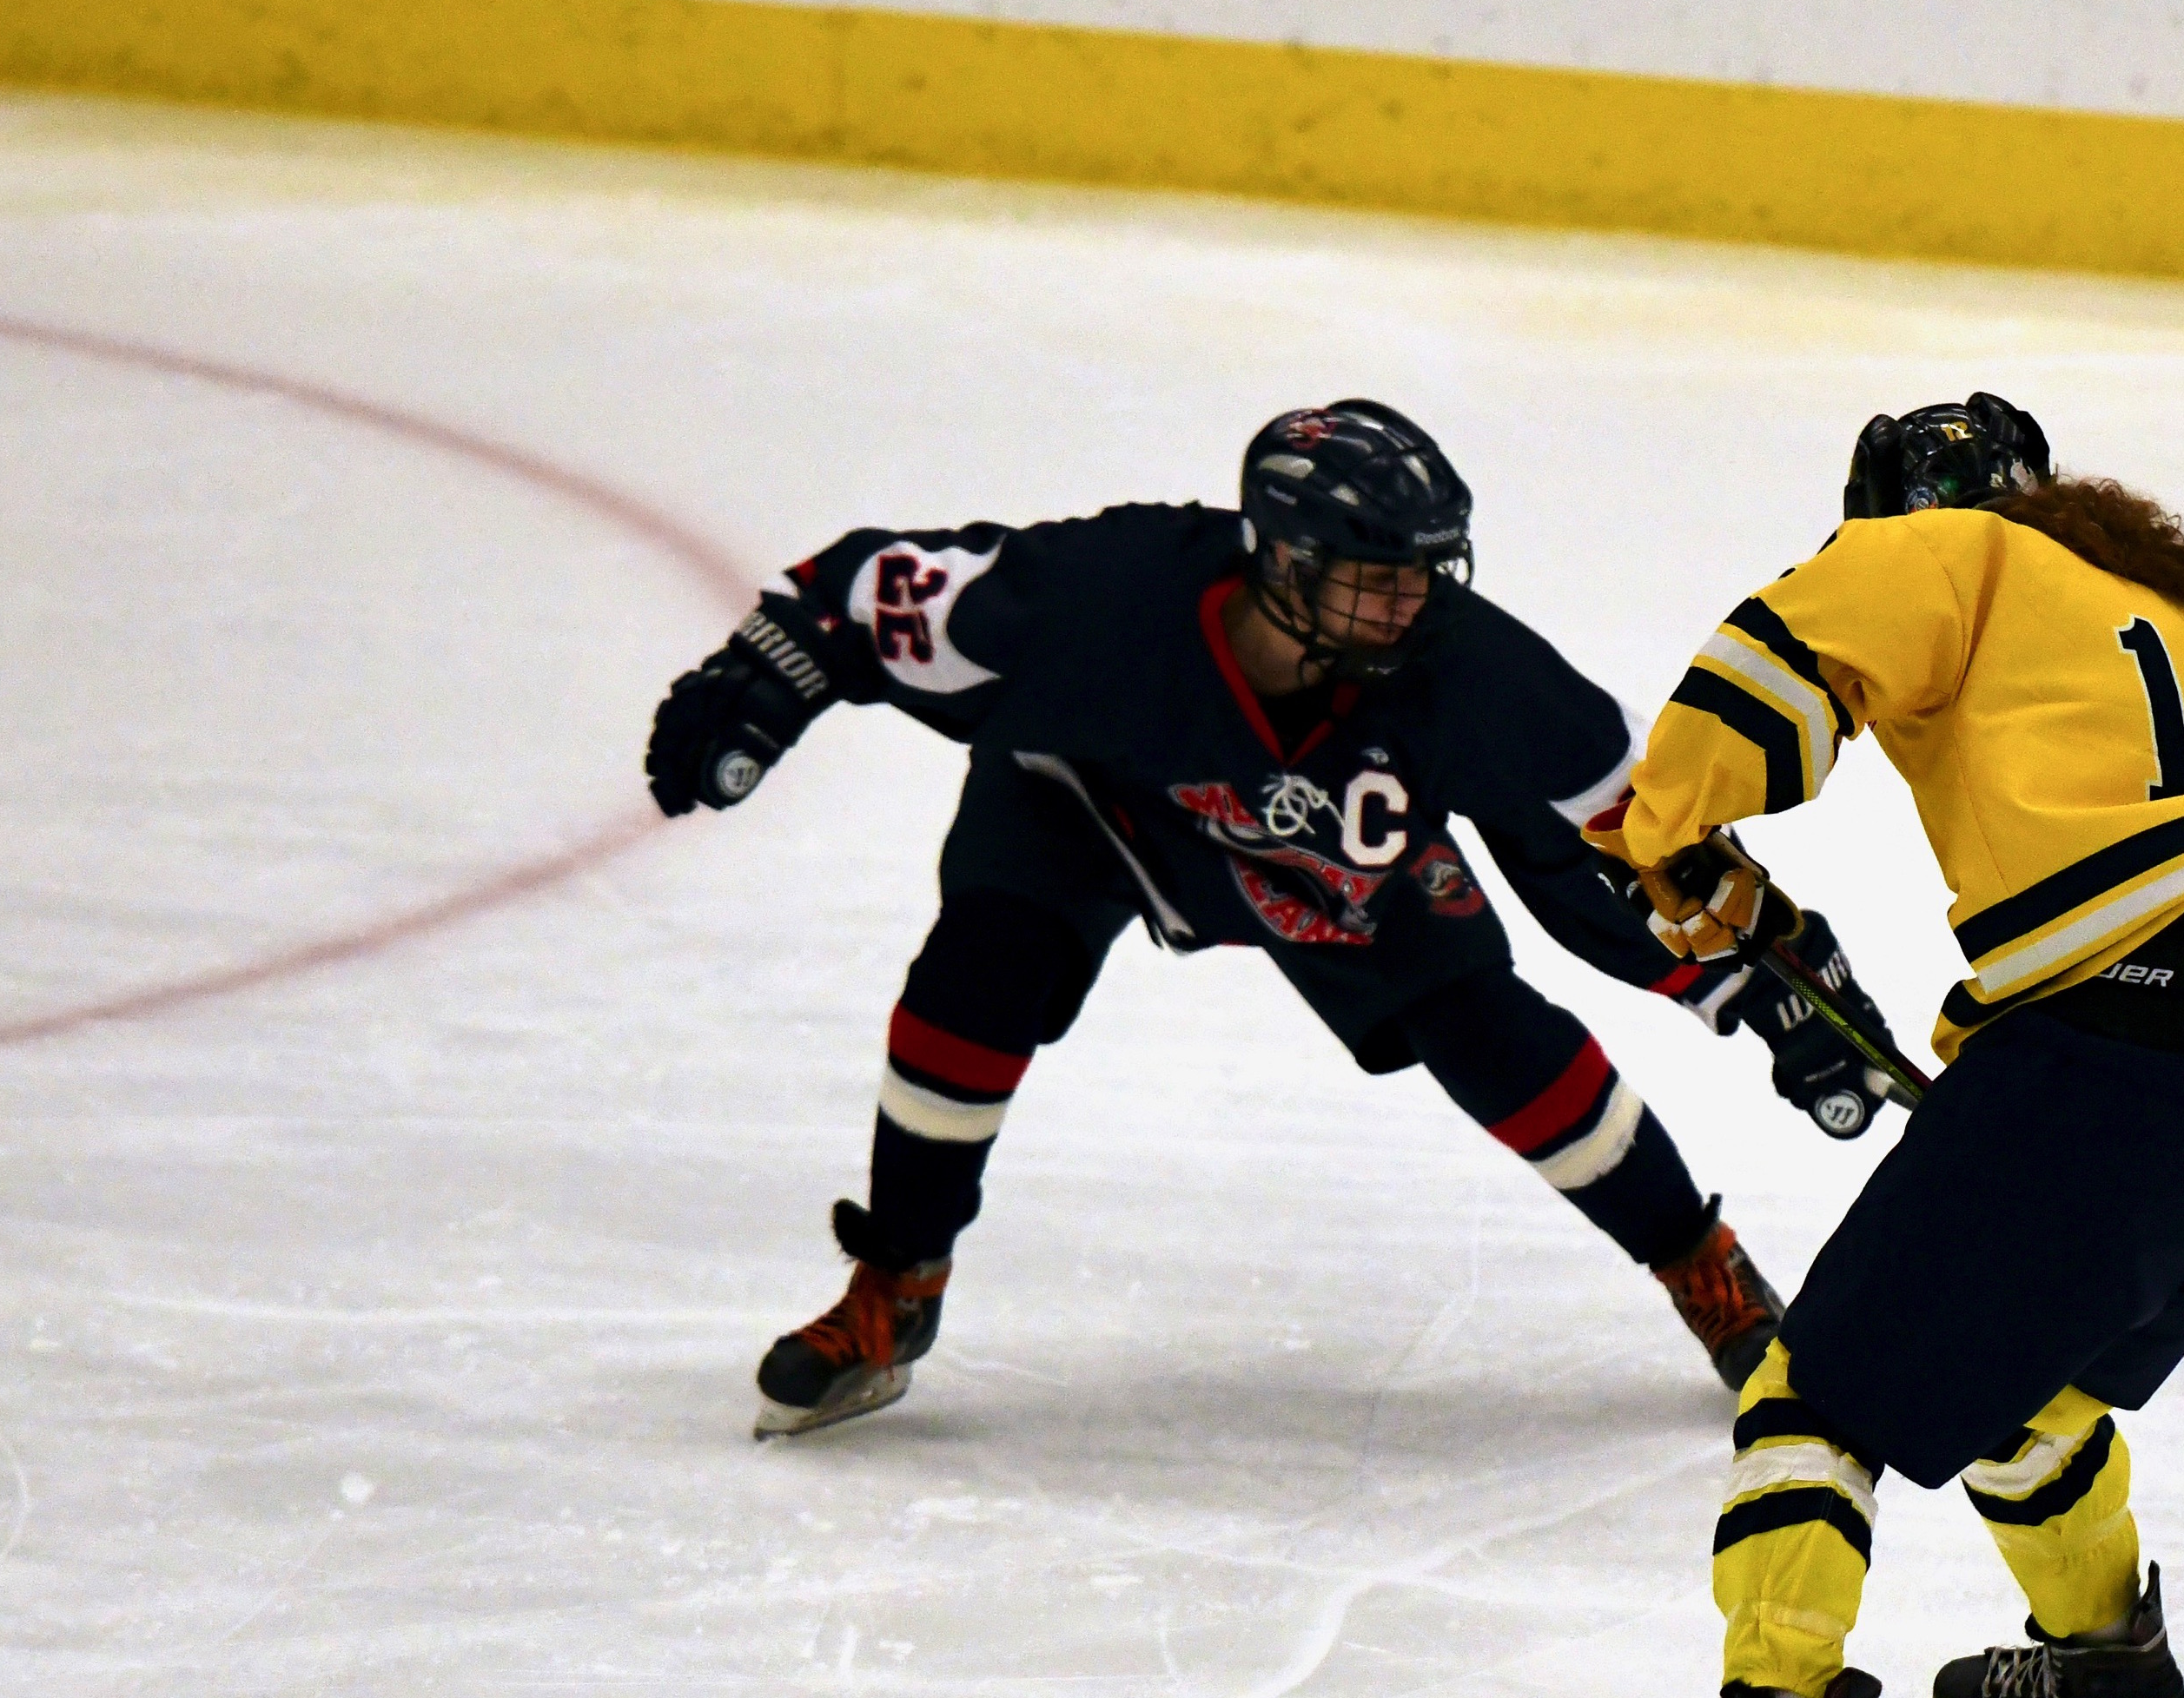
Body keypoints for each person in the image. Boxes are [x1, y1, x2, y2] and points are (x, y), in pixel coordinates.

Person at [640, 400, 1900, 1437]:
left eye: (1422, 575)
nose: (1406, 605)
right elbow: (861, 595)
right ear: (1280, 561)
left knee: (1483, 1025)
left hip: (1321, 858)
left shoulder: (1474, 678)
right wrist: (767, 676)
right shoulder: (1103, 595)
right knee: (976, 976)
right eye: (1372, 578)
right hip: (1095, 806)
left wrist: (1765, 986)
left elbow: (1635, 856)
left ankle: (1700, 1264)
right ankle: (894, 1284)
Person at [1564, 395, 2184, 1698]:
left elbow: (1778, 659)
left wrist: (1663, 831)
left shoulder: (1961, 556)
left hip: (2083, 1085)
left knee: (1814, 1394)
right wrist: (2013, 1046)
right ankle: (2106, 1661)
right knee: (2016, 1379)